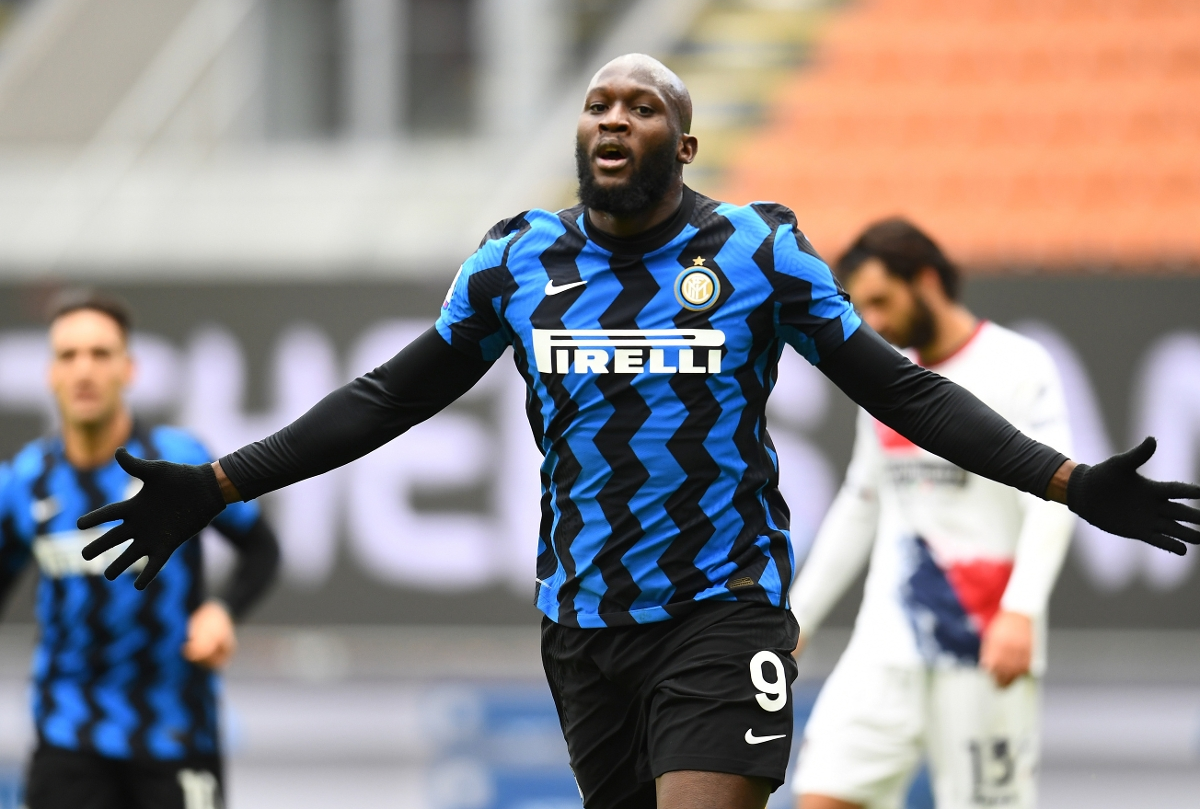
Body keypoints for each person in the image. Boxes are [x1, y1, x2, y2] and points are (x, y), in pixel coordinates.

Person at [77, 54, 1199, 809]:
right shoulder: (517, 262)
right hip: (583, 625)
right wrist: (218, 482)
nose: (614, 118)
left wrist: (1064, 479)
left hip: (722, 608)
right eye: (598, 104)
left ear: (685, 144)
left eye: (643, 107)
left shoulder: (756, 254)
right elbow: (385, 397)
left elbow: (903, 393)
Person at [790, 220, 1075, 809]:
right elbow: (862, 502)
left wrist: (1021, 611)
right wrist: (800, 617)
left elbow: (1054, 501)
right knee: (822, 795)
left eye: (882, 301)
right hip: (886, 640)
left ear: (924, 280)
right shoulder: (886, 377)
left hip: (983, 640)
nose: (874, 322)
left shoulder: (1018, 364)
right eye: (862, 308)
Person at [0, 291, 279, 809]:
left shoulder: (179, 462)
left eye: (101, 354)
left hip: (175, 728)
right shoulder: (24, 482)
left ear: (129, 369)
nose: (85, 370)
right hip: (68, 731)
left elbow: (261, 549)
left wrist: (223, 611)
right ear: (50, 374)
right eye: (69, 355)